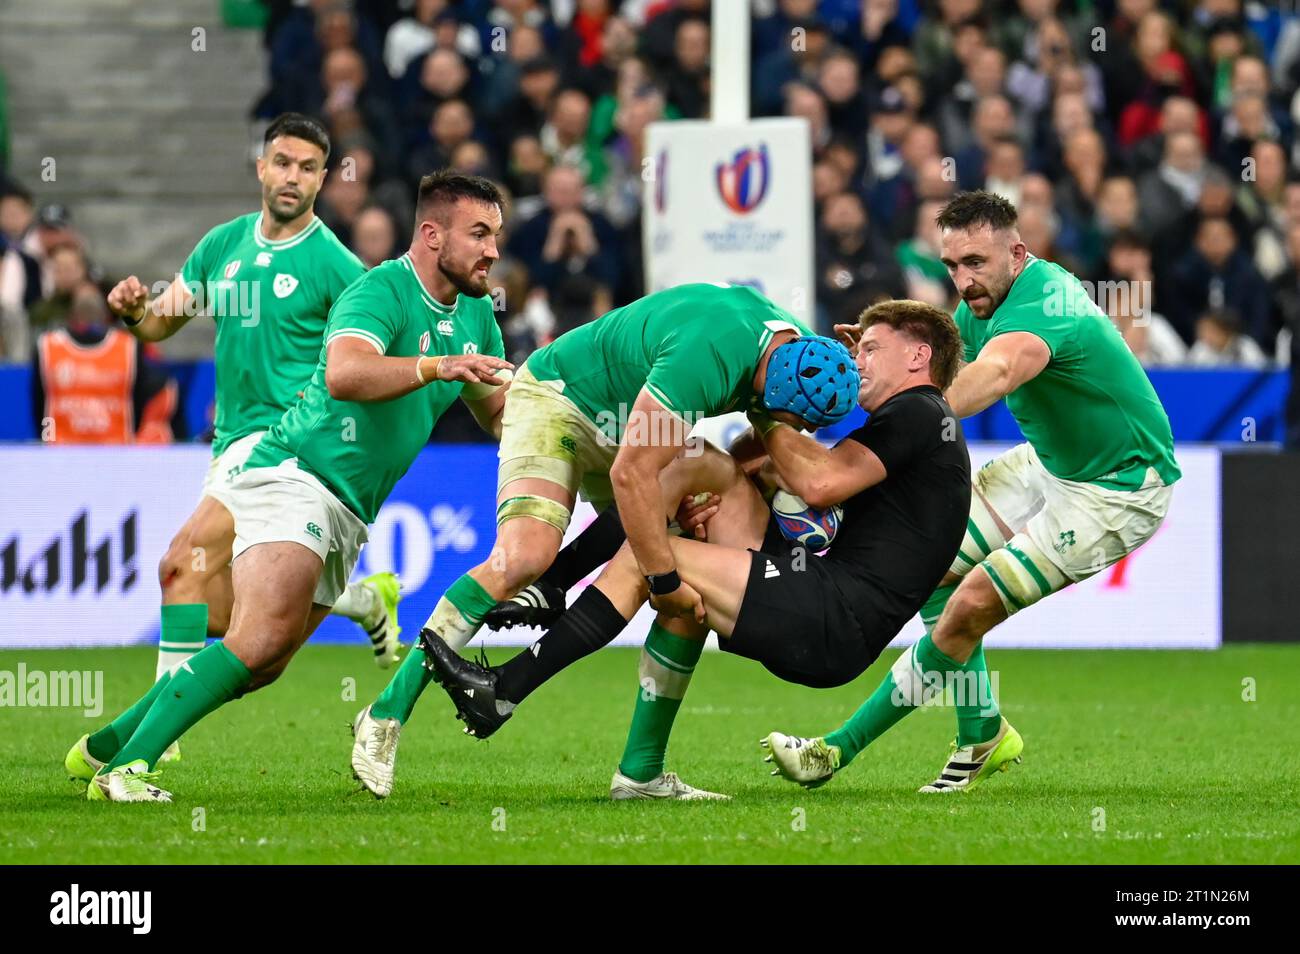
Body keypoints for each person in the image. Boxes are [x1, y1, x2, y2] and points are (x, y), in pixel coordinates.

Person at [66, 171, 515, 802]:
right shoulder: (380, 290)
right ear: (432, 234)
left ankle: (106, 746)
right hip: (297, 470)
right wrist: (437, 365)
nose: (493, 249)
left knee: (264, 664)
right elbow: (345, 373)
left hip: (350, 505)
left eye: (497, 235)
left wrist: (553, 411)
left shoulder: (475, 314)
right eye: (480, 233)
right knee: (258, 637)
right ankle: (126, 772)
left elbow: (496, 412)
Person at [423, 300, 970, 802]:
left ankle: (503, 690)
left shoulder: (921, 411)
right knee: (694, 462)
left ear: (919, 356)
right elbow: (764, 465)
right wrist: (770, 419)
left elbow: (820, 483)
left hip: (833, 617)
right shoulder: (917, 422)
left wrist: (771, 406)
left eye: (872, 349)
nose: (860, 361)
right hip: (823, 591)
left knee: (654, 557)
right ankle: (638, 768)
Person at [351, 282, 859, 799]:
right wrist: (661, 578)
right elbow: (631, 475)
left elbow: (742, 446)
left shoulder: (795, 357)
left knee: (696, 573)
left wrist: (683, 494)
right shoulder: (708, 355)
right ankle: (387, 712)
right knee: (524, 555)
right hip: (561, 399)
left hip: (631, 424)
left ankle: (640, 772)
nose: (789, 432)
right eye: (792, 422)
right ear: (775, 389)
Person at [765, 190, 1181, 792]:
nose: (963, 280)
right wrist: (884, 354)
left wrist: (905, 420)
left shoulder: (1050, 298)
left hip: (1118, 488)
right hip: (1049, 466)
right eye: (952, 266)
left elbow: (997, 372)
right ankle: (984, 731)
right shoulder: (979, 306)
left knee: (971, 601)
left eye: (976, 263)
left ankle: (833, 751)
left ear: (1017, 251)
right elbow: (933, 365)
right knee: (932, 566)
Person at [93, 114, 399, 765]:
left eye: (308, 167)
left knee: (180, 566)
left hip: (286, 449)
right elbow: (160, 324)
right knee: (242, 630)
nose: (293, 176)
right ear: (262, 167)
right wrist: (132, 311)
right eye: (283, 162)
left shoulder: (338, 268)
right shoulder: (221, 245)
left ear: (323, 179)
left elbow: (372, 358)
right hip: (231, 444)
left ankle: (154, 742)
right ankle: (362, 599)